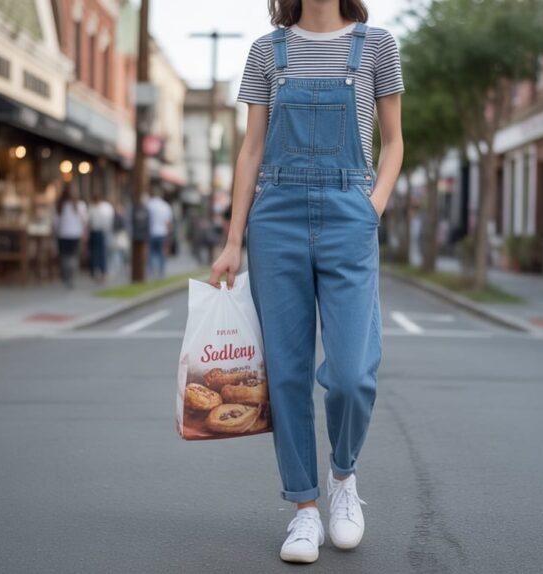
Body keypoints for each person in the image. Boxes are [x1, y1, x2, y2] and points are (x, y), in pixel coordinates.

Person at [208, 0, 404, 564]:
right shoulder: (266, 51)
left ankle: (344, 479)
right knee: (288, 372)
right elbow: (251, 151)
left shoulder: (378, 45)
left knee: (350, 373)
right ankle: (303, 511)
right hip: (277, 217)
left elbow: (393, 143)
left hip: (350, 211)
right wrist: (232, 240)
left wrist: (373, 208)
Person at [55, 185, 88, 288]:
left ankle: (66, 277)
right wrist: (84, 232)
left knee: (65, 256)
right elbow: (84, 220)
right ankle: (70, 277)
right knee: (72, 256)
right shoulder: (79, 205)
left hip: (63, 234)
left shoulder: (61, 205)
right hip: (74, 234)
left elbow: (55, 221)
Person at [87, 192, 115, 282]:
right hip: (96, 232)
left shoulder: (103, 208)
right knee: (96, 253)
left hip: (99, 232)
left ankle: (101, 271)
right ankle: (96, 272)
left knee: (99, 253)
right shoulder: (93, 208)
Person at [146, 191, 173, 278]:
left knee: (151, 253)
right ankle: (161, 272)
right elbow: (168, 223)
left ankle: (151, 272)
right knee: (161, 254)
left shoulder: (149, 205)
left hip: (151, 232)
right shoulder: (166, 206)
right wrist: (168, 237)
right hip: (162, 233)